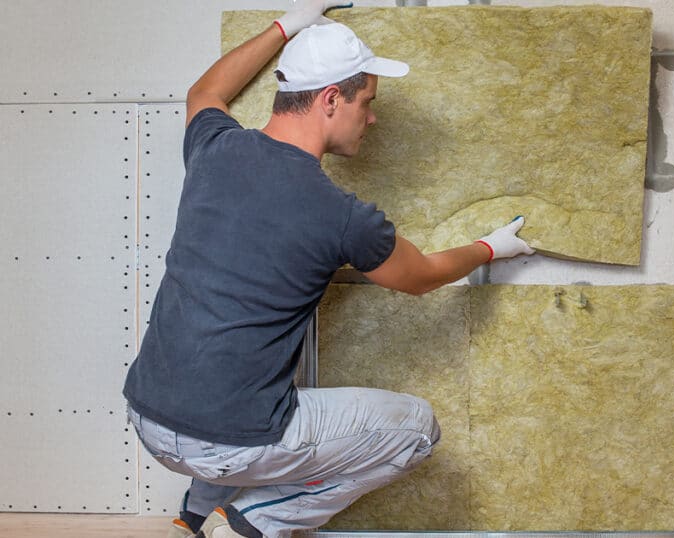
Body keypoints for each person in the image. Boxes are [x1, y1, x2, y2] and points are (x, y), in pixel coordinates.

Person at [121, 2, 534, 537]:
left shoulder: (215, 148)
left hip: (148, 417)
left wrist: (287, 25)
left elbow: (204, 93)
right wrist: (490, 248)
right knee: (416, 429)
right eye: (368, 102)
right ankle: (251, 523)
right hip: (223, 442)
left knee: (243, 378)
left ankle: (193, 517)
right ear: (331, 98)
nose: (373, 117)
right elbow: (423, 276)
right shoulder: (340, 215)